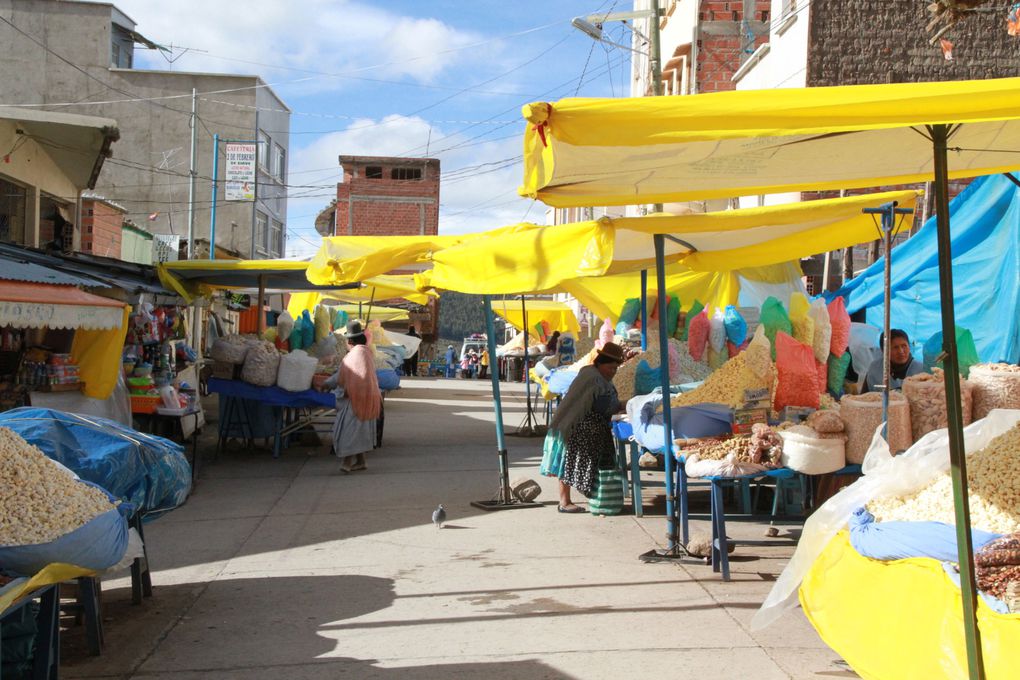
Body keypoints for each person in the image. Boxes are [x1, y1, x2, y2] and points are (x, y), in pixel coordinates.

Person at [540, 342, 625, 513]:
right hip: (581, 427)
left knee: (571, 463)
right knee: (571, 463)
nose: (613, 372)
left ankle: (577, 500)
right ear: (600, 363)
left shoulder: (592, 373)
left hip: (580, 425)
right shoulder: (594, 379)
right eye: (611, 368)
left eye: (616, 368)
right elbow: (605, 406)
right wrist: (625, 405)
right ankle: (564, 503)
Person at [321, 321, 382, 473]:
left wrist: (325, 383)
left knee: (348, 432)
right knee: (360, 432)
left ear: (350, 341)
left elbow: (339, 376)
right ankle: (361, 461)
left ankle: (347, 462)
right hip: (369, 399)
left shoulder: (352, 356)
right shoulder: (367, 353)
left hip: (355, 400)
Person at [863, 328, 925, 392]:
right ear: (884, 350)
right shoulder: (875, 368)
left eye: (904, 346)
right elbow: (864, 396)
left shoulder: (921, 370)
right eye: (895, 347)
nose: (901, 351)